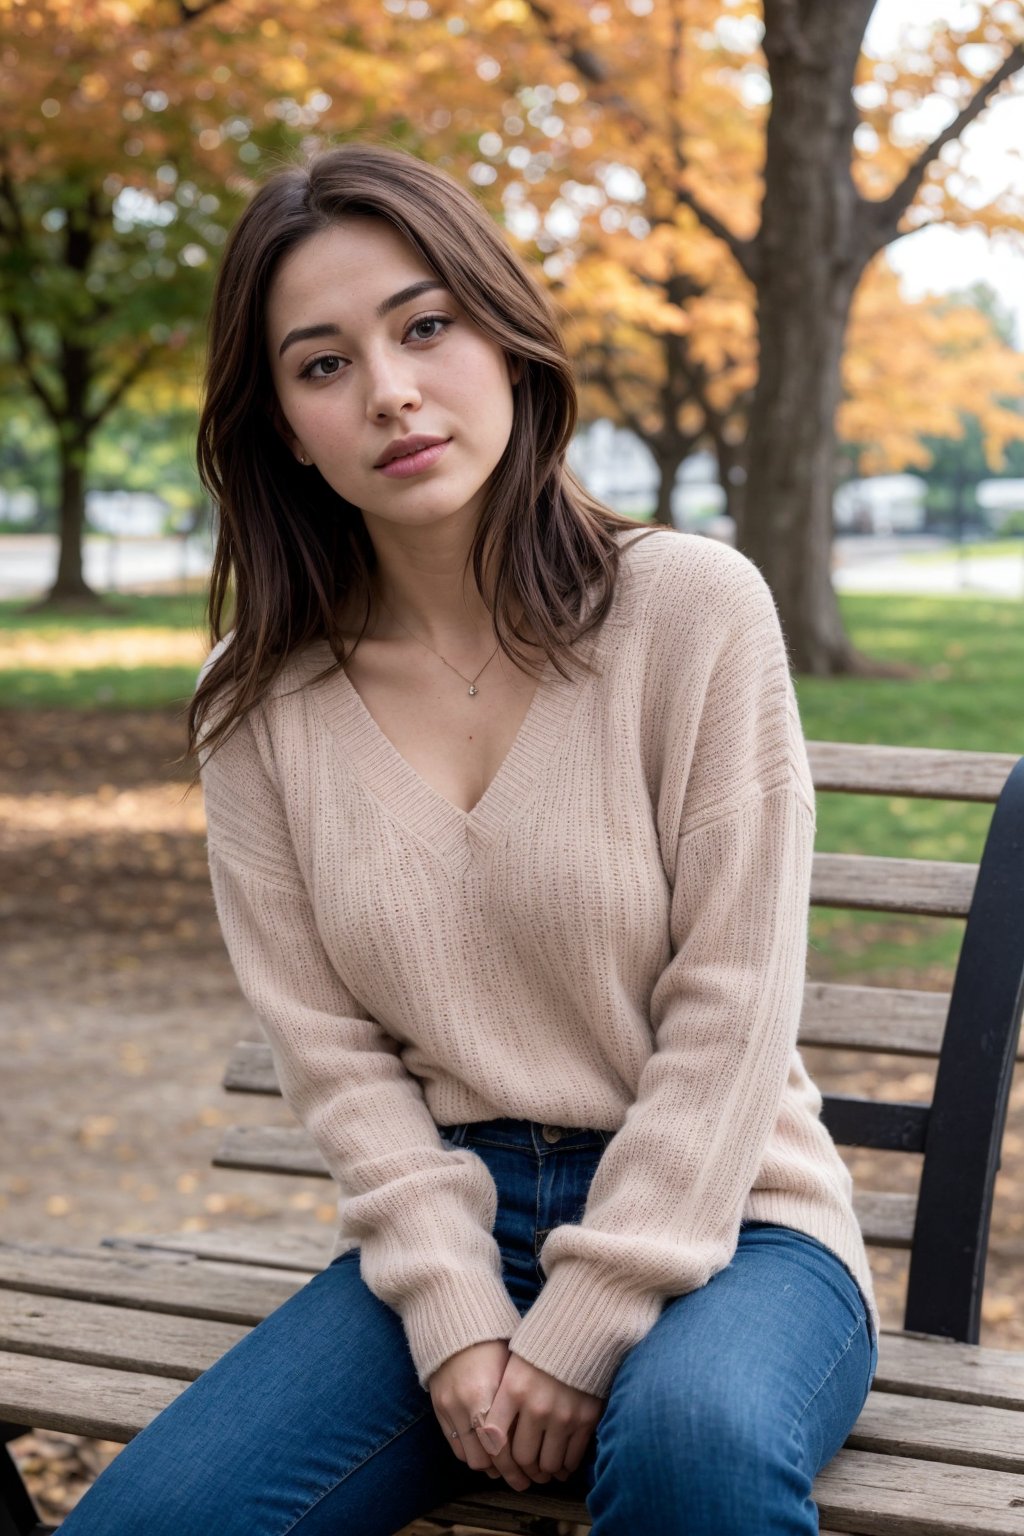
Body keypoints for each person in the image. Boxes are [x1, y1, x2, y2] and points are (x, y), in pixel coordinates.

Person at [59, 141, 878, 1536]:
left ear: (504, 339)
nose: (389, 391)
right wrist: (454, 1317)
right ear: (284, 429)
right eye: (322, 366)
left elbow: (735, 1009)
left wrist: (585, 1320)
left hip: (733, 1216)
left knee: (693, 1450)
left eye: (426, 326)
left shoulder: (690, 610)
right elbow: (330, 1051)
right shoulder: (257, 702)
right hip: (451, 1215)